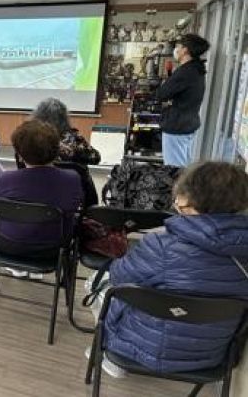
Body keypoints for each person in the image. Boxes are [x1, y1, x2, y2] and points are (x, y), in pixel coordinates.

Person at [101, 161, 248, 377]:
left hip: (141, 348)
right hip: (212, 355)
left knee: (102, 284)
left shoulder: (161, 246)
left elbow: (118, 276)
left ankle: (113, 362)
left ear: (191, 200)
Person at [0, 120, 83, 277]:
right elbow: (75, 206)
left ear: (19, 154)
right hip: (52, 249)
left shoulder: (5, 179)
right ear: (57, 150)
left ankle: (17, 266)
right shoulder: (72, 179)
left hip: (7, 245)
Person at [157, 34, 210, 167]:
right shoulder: (196, 69)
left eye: (178, 46)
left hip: (177, 127)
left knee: (174, 168)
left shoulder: (186, 72)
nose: (176, 50)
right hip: (187, 124)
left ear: (185, 50)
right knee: (183, 165)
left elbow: (161, 94)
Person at [32, 98, 101, 166]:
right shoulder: (75, 140)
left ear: (38, 117)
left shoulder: (32, 139)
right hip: (72, 173)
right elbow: (96, 158)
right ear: (64, 118)